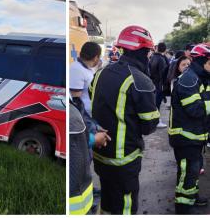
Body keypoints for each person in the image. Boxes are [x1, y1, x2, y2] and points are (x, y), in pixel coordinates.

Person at [90, 25, 160, 214]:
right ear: (141, 52)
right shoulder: (140, 80)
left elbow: (92, 100)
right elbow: (149, 125)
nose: (148, 57)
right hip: (124, 158)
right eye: (147, 53)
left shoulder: (101, 72)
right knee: (125, 204)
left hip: (99, 152)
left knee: (108, 196)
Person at [168, 43, 210, 214]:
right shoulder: (189, 79)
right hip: (185, 137)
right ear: (203, 61)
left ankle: (192, 197)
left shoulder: (199, 77)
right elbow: (196, 109)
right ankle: (183, 208)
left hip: (195, 135)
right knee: (187, 173)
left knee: (193, 171)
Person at [149, 42, 169, 128]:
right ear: (165, 49)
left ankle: (154, 120)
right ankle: (157, 121)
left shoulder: (153, 57)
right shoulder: (161, 59)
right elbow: (163, 74)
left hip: (152, 83)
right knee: (157, 103)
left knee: (154, 103)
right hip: (159, 84)